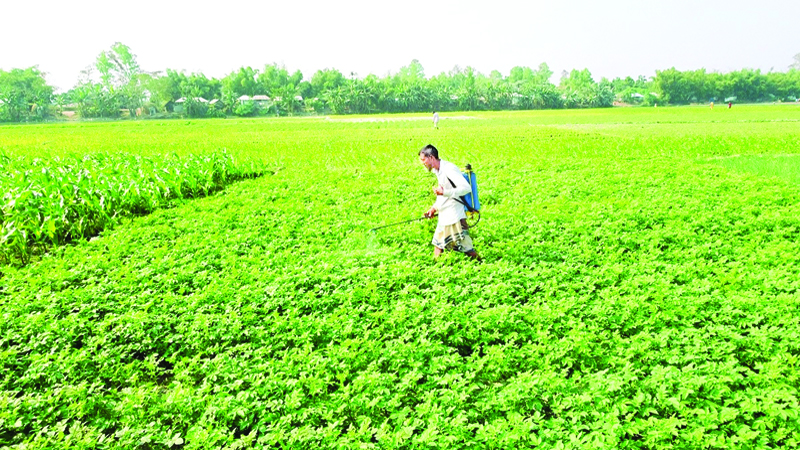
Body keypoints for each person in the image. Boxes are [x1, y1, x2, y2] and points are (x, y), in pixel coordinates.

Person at [418, 144, 480, 260]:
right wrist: (433, 208)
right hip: (445, 215)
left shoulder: (449, 169)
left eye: (423, 159)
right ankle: (435, 268)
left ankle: (482, 266)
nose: (422, 163)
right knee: (437, 244)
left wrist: (445, 192)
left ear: (431, 157)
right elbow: (442, 196)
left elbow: (466, 188)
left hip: (455, 216)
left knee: (467, 248)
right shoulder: (438, 171)